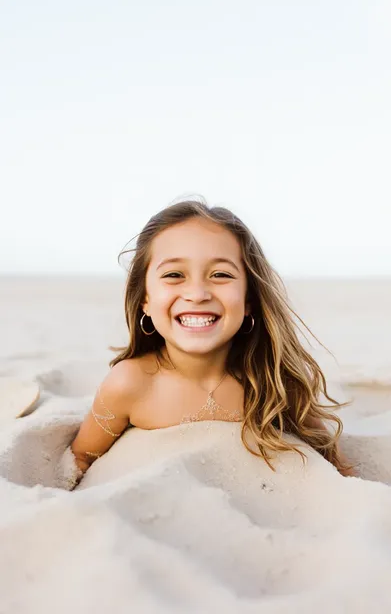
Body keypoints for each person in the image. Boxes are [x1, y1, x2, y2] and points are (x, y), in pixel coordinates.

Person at [70, 197, 357, 483]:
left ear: (248, 299)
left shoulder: (275, 380)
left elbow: (336, 464)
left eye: (220, 274)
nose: (197, 294)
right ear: (145, 298)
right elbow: (81, 460)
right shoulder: (129, 384)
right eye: (173, 275)